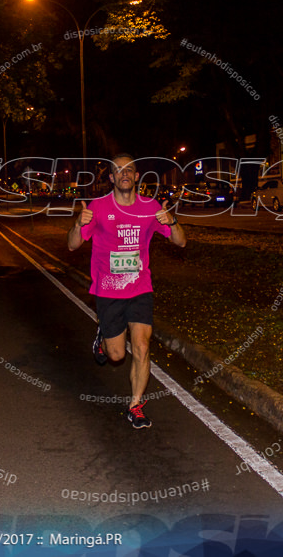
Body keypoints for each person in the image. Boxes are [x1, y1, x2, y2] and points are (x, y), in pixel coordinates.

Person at [67, 153, 186, 428]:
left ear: (136, 176)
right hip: (108, 291)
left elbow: (181, 242)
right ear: (111, 177)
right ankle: (103, 337)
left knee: (142, 346)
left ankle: (136, 406)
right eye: (118, 170)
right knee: (117, 356)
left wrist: (171, 221)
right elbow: (73, 245)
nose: (124, 174)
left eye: (129, 170)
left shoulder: (150, 206)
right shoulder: (97, 207)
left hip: (140, 288)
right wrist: (77, 224)